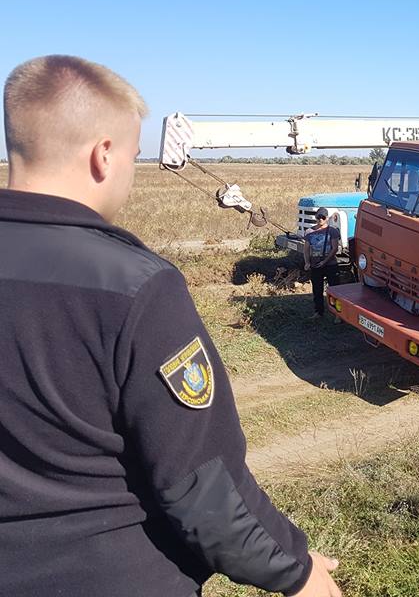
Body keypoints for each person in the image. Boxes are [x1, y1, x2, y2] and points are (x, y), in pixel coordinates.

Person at [0, 55, 341, 597]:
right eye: (135, 156)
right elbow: (203, 486)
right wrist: (297, 570)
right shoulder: (135, 288)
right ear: (103, 155)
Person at [303, 208, 341, 316]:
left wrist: (324, 262)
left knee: (335, 290)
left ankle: (337, 314)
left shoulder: (333, 231)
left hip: (330, 265)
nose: (320, 219)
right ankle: (318, 312)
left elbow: (334, 248)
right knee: (317, 290)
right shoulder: (309, 232)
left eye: (323, 217)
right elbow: (306, 249)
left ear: (327, 218)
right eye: (318, 217)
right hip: (315, 265)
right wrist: (307, 262)